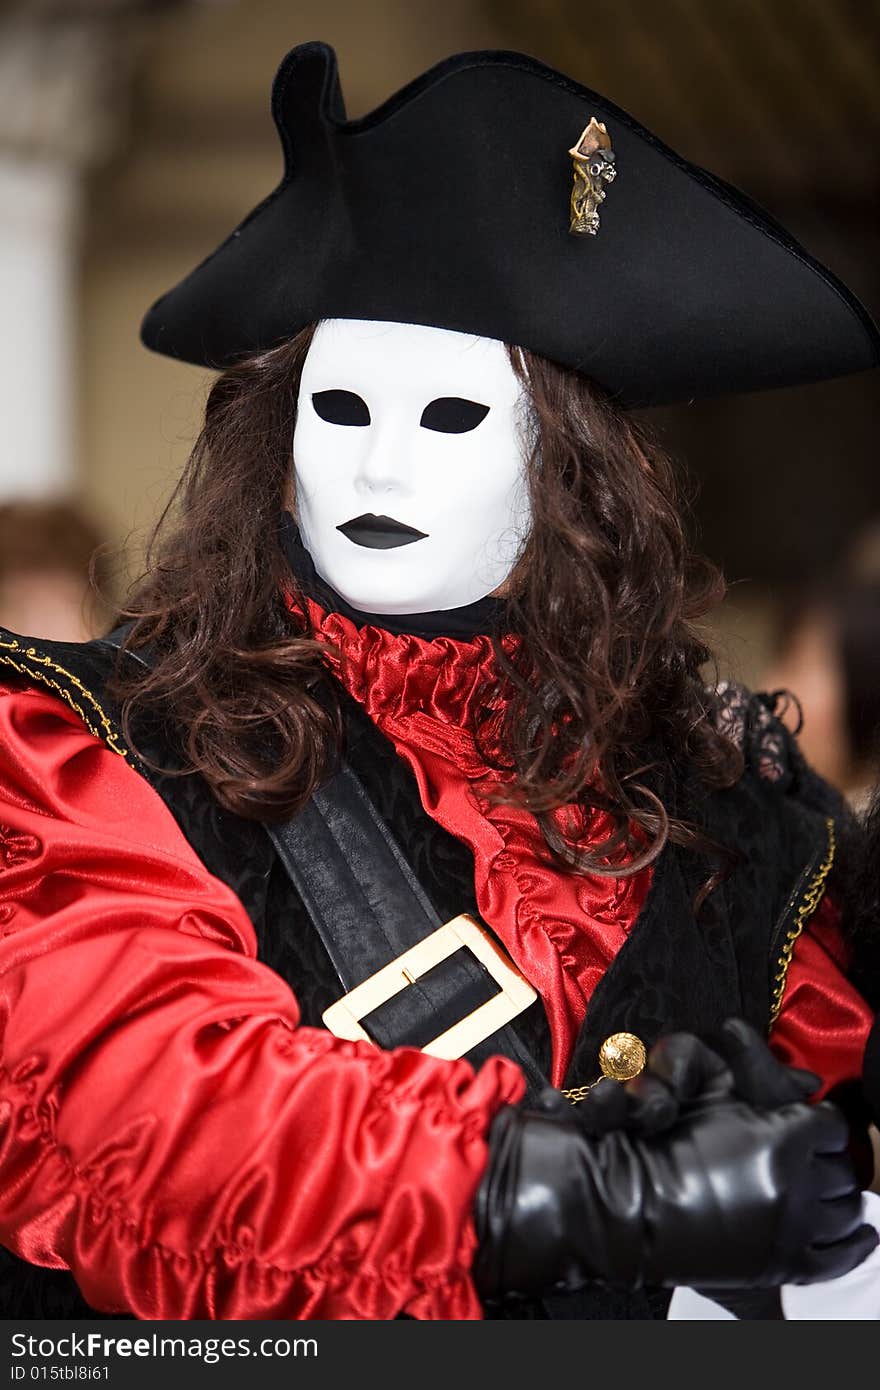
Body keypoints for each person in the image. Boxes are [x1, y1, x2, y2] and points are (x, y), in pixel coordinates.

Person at [0, 42, 877, 1322]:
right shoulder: (84, 748)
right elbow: (142, 1111)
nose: (380, 473)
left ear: (574, 471)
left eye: (449, 417)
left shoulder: (725, 799)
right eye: (342, 407)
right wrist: (575, 1191)